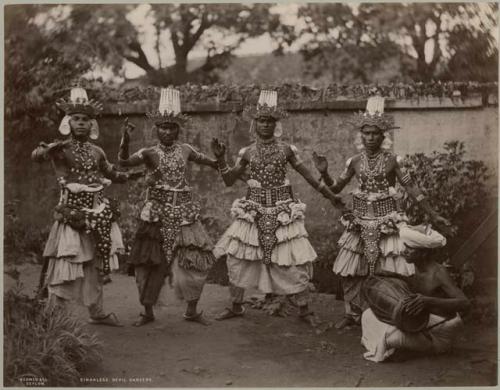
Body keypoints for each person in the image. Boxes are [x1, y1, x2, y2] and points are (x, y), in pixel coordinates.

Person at [313, 95, 451, 329]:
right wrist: (325, 173)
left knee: (391, 270)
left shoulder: (393, 161)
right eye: (366, 133)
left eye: (375, 133)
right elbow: (336, 187)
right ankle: (353, 314)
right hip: (360, 221)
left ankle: (389, 312)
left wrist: (433, 214)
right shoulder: (354, 161)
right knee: (351, 269)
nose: (370, 138)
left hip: (388, 221)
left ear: (383, 135)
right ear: (361, 135)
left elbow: (412, 188)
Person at [211, 90, 343, 325]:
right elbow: (230, 180)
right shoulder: (247, 152)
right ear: (255, 123)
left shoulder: (287, 150)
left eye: (269, 121)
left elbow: (309, 177)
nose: (265, 125)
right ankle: (236, 305)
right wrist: (221, 159)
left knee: (293, 261)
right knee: (238, 258)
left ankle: (304, 310)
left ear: (276, 124)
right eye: (261, 120)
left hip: (283, 211)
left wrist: (331, 196)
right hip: (252, 211)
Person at [32, 86, 140, 326]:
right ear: (68, 122)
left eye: (85, 120)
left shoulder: (97, 150)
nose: (81, 124)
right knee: (66, 264)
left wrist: (131, 176)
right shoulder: (60, 149)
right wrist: (48, 148)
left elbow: (111, 172)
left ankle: (97, 312)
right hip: (72, 213)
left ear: (92, 125)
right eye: (76, 119)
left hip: (98, 211)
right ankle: (53, 318)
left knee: (95, 264)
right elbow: (37, 155)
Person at [118, 87, 217, 326]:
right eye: (162, 127)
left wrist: (221, 158)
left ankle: (191, 310)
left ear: (178, 129)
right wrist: (126, 140)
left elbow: (211, 163)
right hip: (156, 214)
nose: (167, 131)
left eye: (172, 127)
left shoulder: (186, 150)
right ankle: (148, 311)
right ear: (156, 129)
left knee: (194, 263)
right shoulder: (148, 152)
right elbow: (122, 163)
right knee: (146, 265)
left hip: (184, 212)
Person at [361, 224, 470, 362]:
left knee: (389, 337)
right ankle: (413, 343)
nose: (404, 251)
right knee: (367, 315)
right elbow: (417, 283)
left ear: (423, 253)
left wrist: (427, 301)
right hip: (425, 321)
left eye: (409, 248)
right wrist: (392, 275)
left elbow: (465, 303)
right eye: (405, 246)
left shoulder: (439, 272)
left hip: (442, 329)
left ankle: (432, 347)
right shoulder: (417, 266)